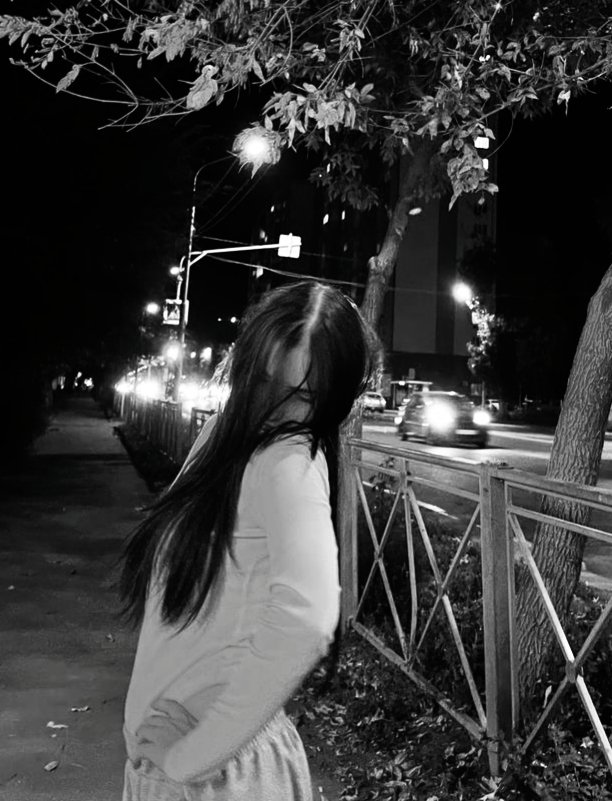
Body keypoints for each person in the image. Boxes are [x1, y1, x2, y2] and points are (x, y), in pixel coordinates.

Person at [118, 280, 375, 801]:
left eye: (301, 397)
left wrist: (189, 758)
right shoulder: (220, 438)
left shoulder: (287, 460)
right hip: (178, 774)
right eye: (264, 380)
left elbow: (308, 620)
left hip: (213, 780)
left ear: (332, 406)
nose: (273, 408)